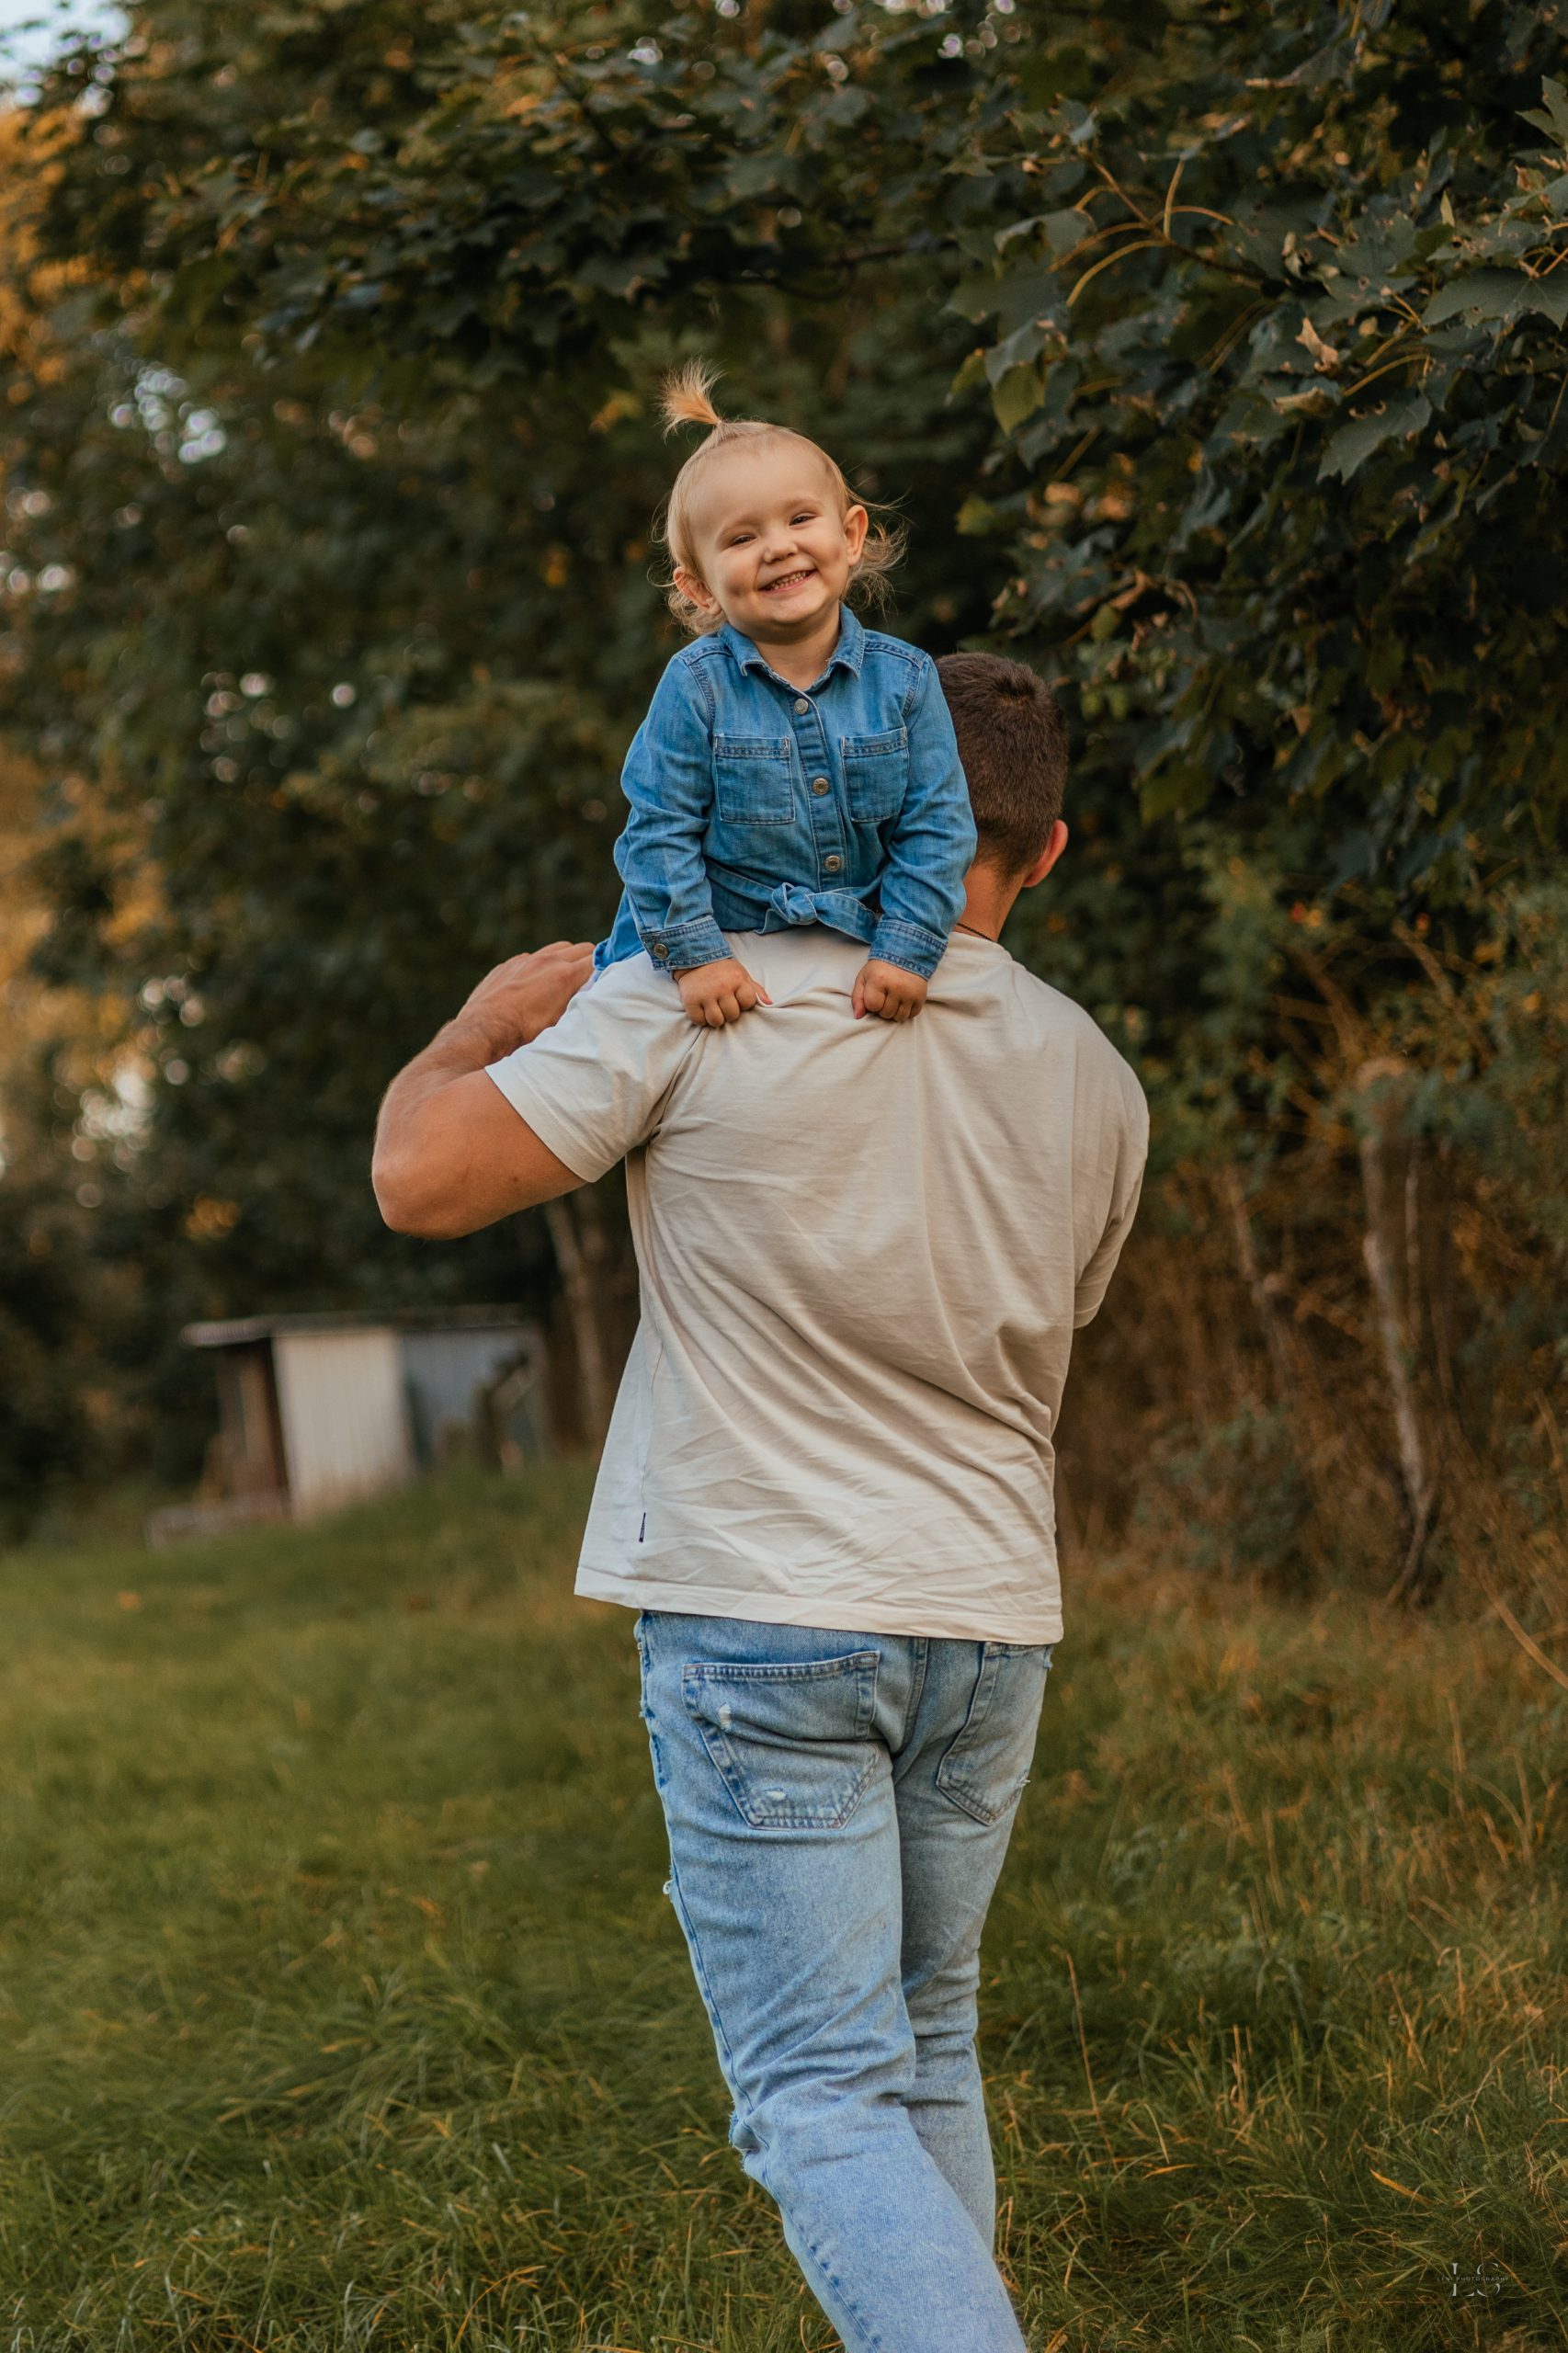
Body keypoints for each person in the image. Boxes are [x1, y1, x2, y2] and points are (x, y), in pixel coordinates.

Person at [372, 653, 1149, 2353]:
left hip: (766, 1619)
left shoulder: (696, 993)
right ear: (1048, 849)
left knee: (816, 2095)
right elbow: (1054, 1319)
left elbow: (418, 1179)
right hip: (987, 1628)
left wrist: (482, 1026)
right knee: (921, 2052)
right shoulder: (1096, 1076)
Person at [595, 362, 976, 1027]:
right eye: (742, 538)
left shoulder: (907, 680)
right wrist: (697, 959)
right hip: (715, 936)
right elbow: (659, 831)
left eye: (800, 518)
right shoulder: (696, 686)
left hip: (856, 937)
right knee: (617, 1036)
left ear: (850, 536)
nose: (778, 547)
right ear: (700, 587)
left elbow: (937, 828)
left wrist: (906, 950)